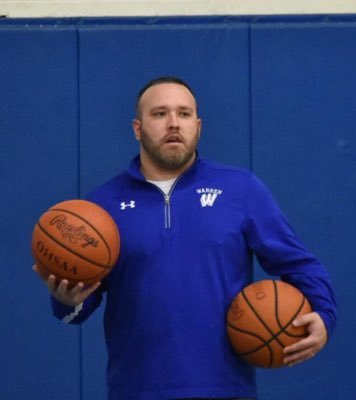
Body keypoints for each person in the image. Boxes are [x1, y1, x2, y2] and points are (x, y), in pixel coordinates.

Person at [34, 76, 337, 400]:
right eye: (160, 114)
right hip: (136, 390)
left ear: (199, 125)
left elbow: (301, 265)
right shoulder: (101, 206)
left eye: (184, 113)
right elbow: (78, 307)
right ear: (137, 128)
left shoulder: (241, 189)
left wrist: (323, 314)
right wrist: (67, 301)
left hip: (225, 388)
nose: (174, 124)